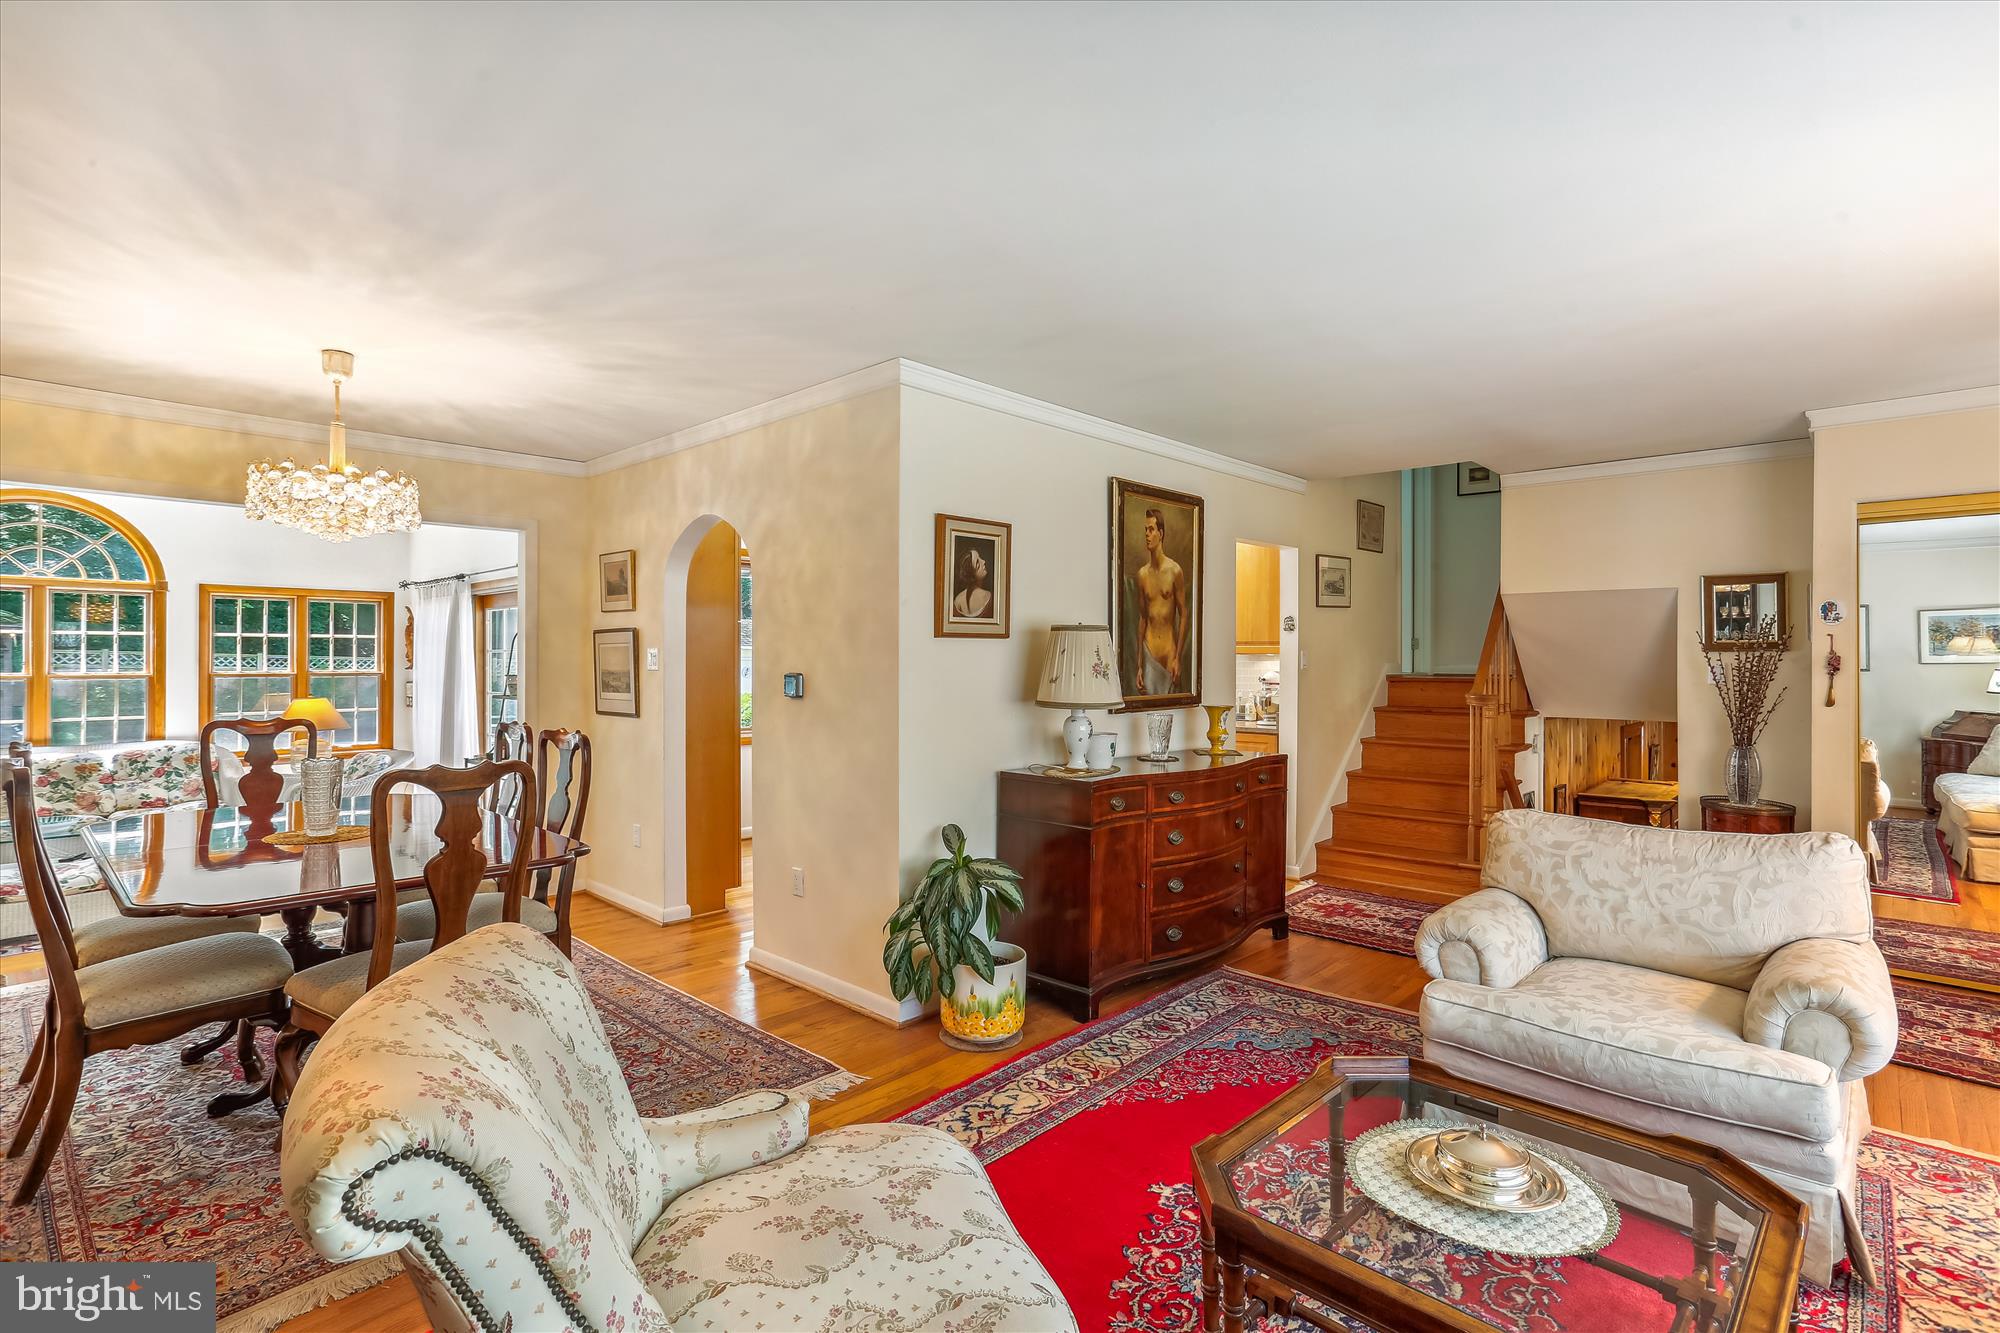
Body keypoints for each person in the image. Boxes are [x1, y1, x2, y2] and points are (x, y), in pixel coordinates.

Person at [1134, 507, 1187, 694]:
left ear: (1161, 533)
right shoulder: (1142, 575)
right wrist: (1139, 663)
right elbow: (1142, 619)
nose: (1147, 535)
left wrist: (1178, 657)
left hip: (1168, 651)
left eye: (1151, 530)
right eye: (1145, 530)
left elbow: (1184, 614)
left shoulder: (1174, 571)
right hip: (1150, 650)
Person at [952, 545, 993, 619]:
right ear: (971, 575)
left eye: (980, 558)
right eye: (978, 563)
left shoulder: (958, 600)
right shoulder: (988, 596)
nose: (983, 561)